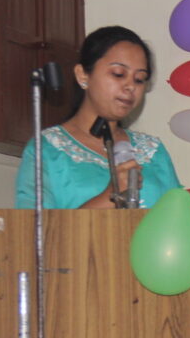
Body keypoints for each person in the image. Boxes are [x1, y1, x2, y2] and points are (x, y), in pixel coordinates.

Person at [16, 26, 180, 209]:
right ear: (82, 75)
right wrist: (110, 195)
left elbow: (181, 218)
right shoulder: (46, 150)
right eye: (118, 74)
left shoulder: (154, 151)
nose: (130, 86)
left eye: (139, 79)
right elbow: (33, 226)